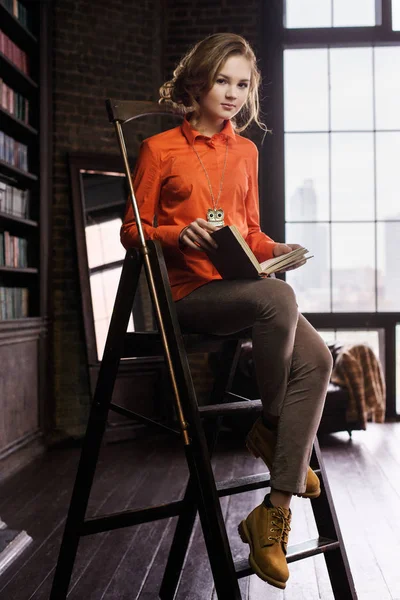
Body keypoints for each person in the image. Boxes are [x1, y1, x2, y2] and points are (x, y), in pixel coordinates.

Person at [120, 32, 333, 590]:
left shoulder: (246, 151)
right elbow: (130, 230)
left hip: (243, 287)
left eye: (243, 84)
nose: (234, 93)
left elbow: (251, 230)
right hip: (191, 297)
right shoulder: (159, 149)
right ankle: (271, 423)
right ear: (198, 81)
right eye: (223, 80)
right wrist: (175, 233)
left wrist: (277, 250)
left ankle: (274, 511)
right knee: (278, 298)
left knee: (318, 361)